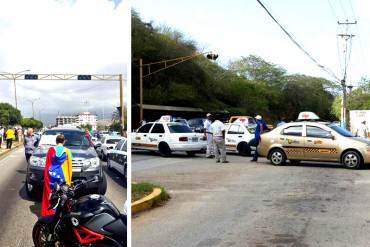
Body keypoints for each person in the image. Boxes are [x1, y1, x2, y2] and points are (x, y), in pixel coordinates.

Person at [41, 134, 73, 216]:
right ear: (64, 141)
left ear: (56, 141)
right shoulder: (67, 151)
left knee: (50, 192)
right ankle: (58, 212)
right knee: (60, 193)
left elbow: (47, 163)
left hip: (51, 173)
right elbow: (69, 164)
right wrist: (69, 179)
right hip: (61, 174)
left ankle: (49, 211)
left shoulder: (51, 149)